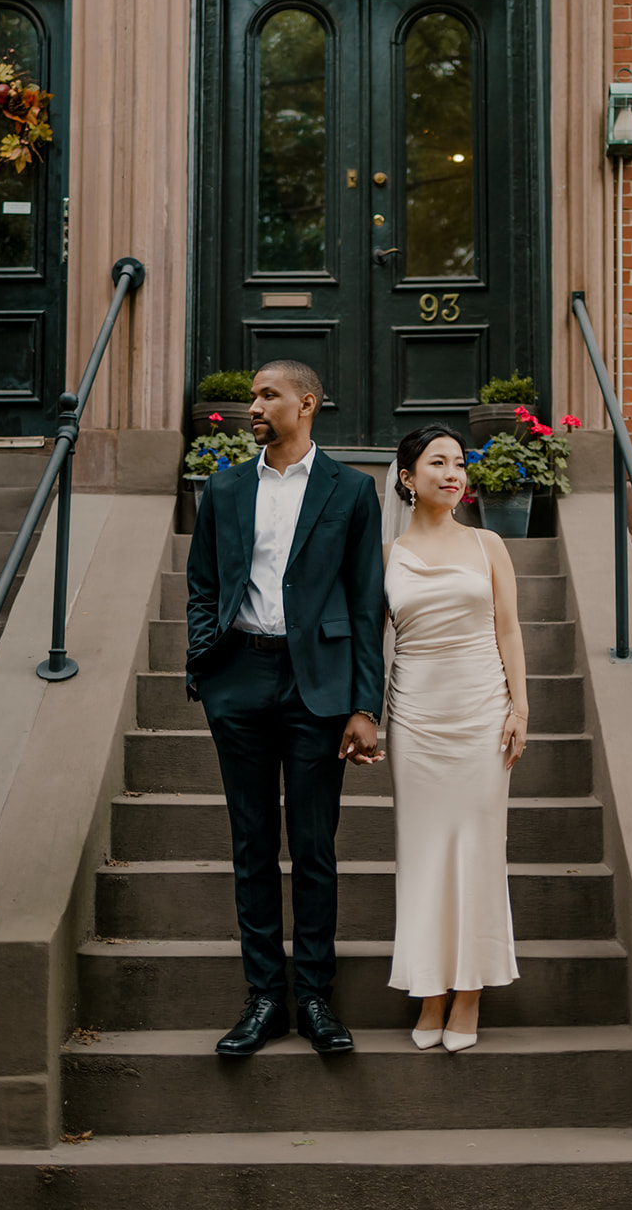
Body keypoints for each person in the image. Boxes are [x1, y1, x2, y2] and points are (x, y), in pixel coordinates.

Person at [185, 360, 385, 1057]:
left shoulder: (352, 491)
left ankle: (315, 998)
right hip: (239, 678)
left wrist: (365, 704)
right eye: (252, 397)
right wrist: (206, 668)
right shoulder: (226, 486)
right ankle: (264, 996)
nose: (254, 406)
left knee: (313, 847)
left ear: (307, 403)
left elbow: (365, 604)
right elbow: (203, 585)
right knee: (250, 846)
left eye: (268, 395)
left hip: (317, 687)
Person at [384, 423, 528, 1052]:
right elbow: (373, 640)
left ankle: (468, 994)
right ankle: (429, 992)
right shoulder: (385, 556)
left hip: (480, 713)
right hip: (414, 716)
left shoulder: (488, 543)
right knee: (422, 855)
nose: (452, 473)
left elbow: (511, 630)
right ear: (407, 478)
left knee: (477, 851)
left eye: (459, 463)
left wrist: (520, 707)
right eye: (436, 463)